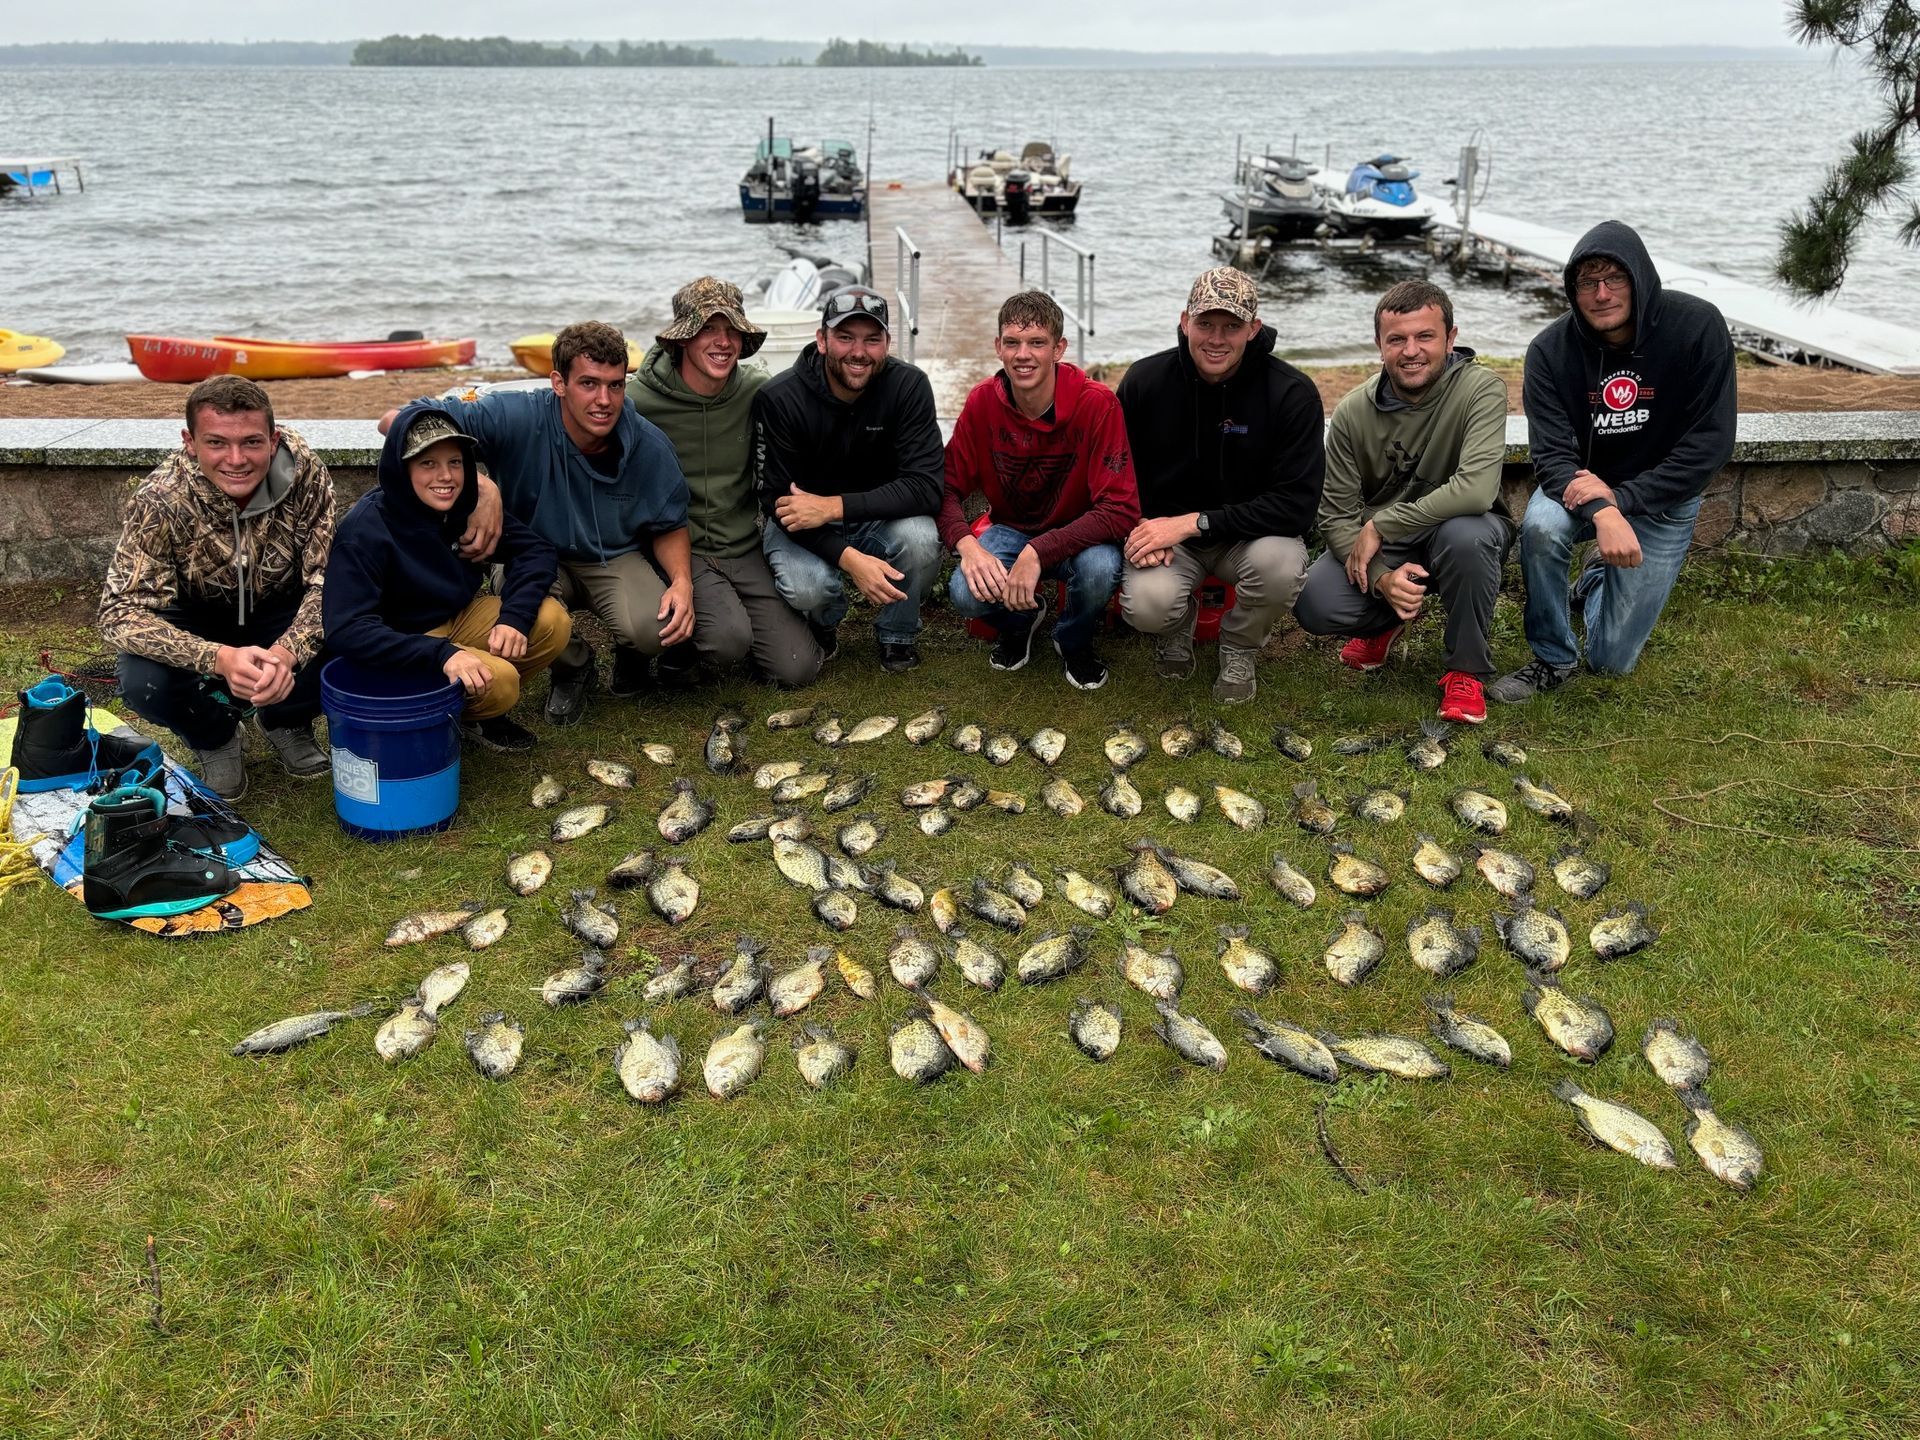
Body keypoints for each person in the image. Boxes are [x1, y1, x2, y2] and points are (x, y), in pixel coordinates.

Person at [379, 321, 691, 725]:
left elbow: (670, 521)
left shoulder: (647, 444)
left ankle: (631, 654)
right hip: (533, 558)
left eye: (615, 385)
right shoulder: (514, 415)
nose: (604, 400)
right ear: (558, 382)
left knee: (656, 627)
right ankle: (573, 667)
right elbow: (395, 420)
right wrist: (479, 484)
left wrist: (681, 582)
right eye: (589, 384)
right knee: (518, 599)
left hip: (612, 558)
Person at [1490, 220, 1737, 702]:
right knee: (1541, 528)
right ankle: (1552, 659)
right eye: (1587, 282)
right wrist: (1604, 510)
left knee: (1611, 663)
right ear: (1572, 290)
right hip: (1578, 488)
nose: (1601, 293)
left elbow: (1710, 443)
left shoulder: (1697, 328)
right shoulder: (1548, 351)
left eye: (1614, 278)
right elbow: (1552, 455)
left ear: (1640, 277)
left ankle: (1596, 576)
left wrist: (1624, 500)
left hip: (1663, 500)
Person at [100, 376, 334, 800]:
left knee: (353, 629)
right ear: (190, 442)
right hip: (197, 614)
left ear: (273, 438)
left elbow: (327, 578)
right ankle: (216, 734)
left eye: (251, 442)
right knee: (143, 682)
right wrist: (218, 658)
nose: (237, 459)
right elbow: (119, 611)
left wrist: (286, 653)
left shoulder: (305, 472)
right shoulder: (160, 499)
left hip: (281, 603)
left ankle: (286, 719)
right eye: (217, 443)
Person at [1293, 279, 1511, 725]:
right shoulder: (1353, 412)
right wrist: (1380, 579)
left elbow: (1476, 490)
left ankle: (1466, 669)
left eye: (1425, 336)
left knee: (1466, 537)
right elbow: (1334, 515)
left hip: (1464, 528)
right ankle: (1385, 621)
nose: (1411, 350)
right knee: (1314, 599)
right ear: (1379, 345)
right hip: (1389, 547)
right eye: (1397, 339)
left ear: (1450, 338)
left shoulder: (1481, 389)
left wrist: (1382, 524)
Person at [1116, 266, 1324, 703]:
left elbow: (1297, 508)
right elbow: (1116, 476)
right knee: (1148, 606)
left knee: (1282, 566)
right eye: (1205, 323)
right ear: (1183, 321)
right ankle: (1176, 627)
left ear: (1254, 329)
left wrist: (1193, 522)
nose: (1216, 338)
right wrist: (1142, 526)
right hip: (1169, 539)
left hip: (1247, 541)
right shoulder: (1143, 383)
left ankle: (1240, 649)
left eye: (1231, 326)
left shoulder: (1293, 393)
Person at [323, 406, 572, 752]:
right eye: (428, 463)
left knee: (551, 620)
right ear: (402, 466)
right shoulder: (365, 529)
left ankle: (473, 717)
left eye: (455, 462)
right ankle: (433, 718)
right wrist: (442, 654)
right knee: (500, 682)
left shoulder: (465, 506)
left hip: (458, 618)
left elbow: (537, 551)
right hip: (401, 647)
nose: (446, 476)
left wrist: (514, 618)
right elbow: (346, 629)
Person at [940, 290, 1139, 690]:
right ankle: (1020, 621)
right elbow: (944, 487)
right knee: (964, 591)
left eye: (1037, 342)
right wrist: (968, 546)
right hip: (1011, 529)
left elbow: (1120, 509)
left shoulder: (1098, 404)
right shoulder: (982, 403)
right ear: (998, 347)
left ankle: (1074, 638)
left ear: (1059, 349)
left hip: (1080, 533)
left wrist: (1038, 551)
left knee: (1101, 570)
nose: (1023, 354)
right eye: (1012, 342)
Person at [630, 277, 821, 688]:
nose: (723, 341)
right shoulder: (638, 402)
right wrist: (487, 488)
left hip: (742, 545)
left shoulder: (757, 389)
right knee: (726, 640)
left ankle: (743, 630)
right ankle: (679, 649)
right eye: (708, 330)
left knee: (798, 669)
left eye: (732, 330)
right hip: (678, 550)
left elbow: (814, 406)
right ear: (682, 339)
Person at [754, 288, 945, 673]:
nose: (859, 352)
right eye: (845, 337)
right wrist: (849, 558)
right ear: (821, 340)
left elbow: (926, 485)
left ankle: (898, 635)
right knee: (807, 586)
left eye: (872, 339)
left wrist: (834, 506)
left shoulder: (909, 386)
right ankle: (825, 624)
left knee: (921, 540)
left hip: (878, 517)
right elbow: (776, 500)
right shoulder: (779, 398)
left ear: (888, 343)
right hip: (800, 524)